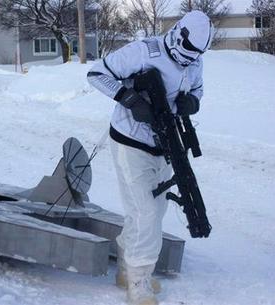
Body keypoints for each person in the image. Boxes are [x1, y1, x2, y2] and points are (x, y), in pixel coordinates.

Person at [87, 10, 214, 305]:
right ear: (179, 35)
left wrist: (190, 103)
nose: (190, 58)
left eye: (197, 54)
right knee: (145, 212)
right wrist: (128, 99)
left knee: (153, 211)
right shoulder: (144, 52)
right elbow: (96, 74)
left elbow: (198, 89)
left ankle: (125, 268)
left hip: (167, 143)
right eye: (188, 51)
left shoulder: (195, 62)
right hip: (130, 140)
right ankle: (139, 281)